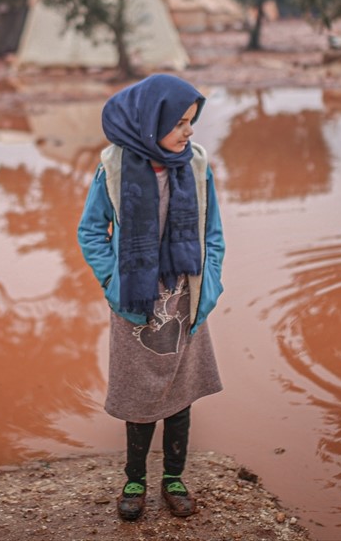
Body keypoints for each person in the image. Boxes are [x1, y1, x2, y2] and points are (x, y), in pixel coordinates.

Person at [77, 73, 225, 522]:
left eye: (191, 121)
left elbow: (213, 235)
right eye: (180, 122)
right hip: (134, 303)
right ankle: (135, 480)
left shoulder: (197, 166)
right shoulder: (114, 169)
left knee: (181, 393)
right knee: (139, 396)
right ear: (150, 121)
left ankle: (174, 479)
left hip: (184, 299)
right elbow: (90, 233)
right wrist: (113, 284)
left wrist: (211, 285)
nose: (189, 131)